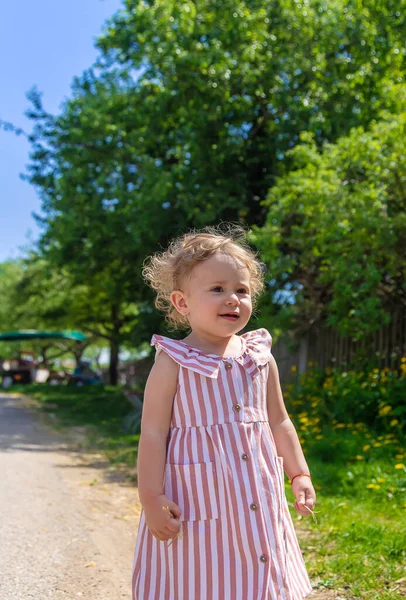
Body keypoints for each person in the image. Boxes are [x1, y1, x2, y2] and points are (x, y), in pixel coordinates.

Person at [132, 225, 316, 600]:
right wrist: (150, 498)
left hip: (257, 495)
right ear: (183, 303)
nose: (232, 299)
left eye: (241, 290)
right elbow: (153, 434)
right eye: (217, 289)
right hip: (198, 502)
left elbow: (279, 420)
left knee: (262, 571)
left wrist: (299, 472)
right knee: (201, 575)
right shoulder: (173, 362)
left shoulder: (258, 357)